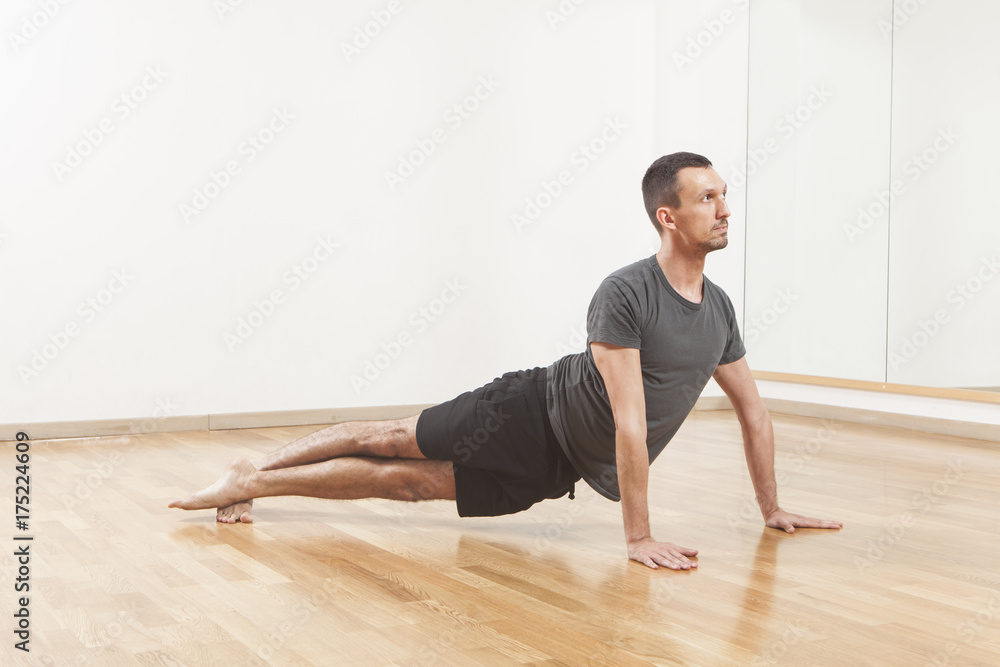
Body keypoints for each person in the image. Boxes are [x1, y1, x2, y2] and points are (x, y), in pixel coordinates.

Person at [169, 152, 842, 570]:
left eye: (724, 194)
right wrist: (637, 537)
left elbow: (754, 412)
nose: (726, 208)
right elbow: (629, 424)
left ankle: (252, 482)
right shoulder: (626, 292)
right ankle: (250, 473)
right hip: (525, 410)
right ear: (668, 216)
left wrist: (773, 506)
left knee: (404, 486)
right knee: (387, 439)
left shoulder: (718, 309)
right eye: (708, 197)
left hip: (554, 468)